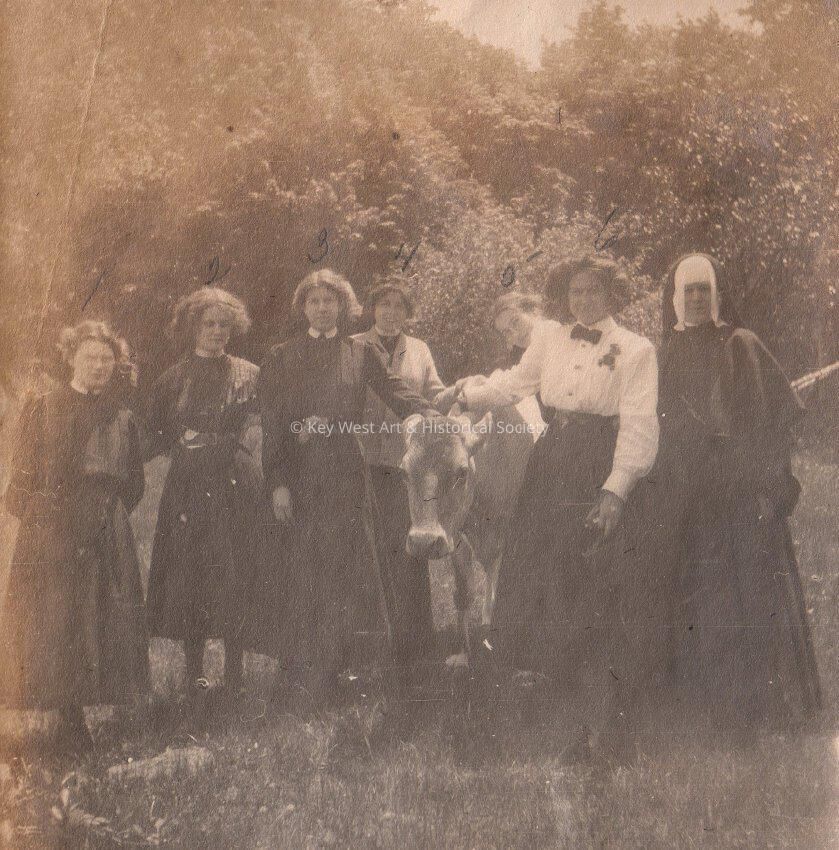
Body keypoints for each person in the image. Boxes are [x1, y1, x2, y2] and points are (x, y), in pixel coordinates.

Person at [438, 256, 660, 759]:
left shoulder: (636, 349)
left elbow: (639, 423)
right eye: (575, 291)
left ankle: (593, 707)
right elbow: (514, 384)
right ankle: (536, 689)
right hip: (552, 460)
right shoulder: (551, 338)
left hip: (598, 462)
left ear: (612, 295)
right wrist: (466, 396)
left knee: (589, 576)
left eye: (594, 290)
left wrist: (615, 489)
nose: (584, 300)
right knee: (534, 570)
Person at [658, 253, 821, 738]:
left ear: (716, 295)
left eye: (703, 289)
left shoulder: (741, 344)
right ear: (675, 298)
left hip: (740, 490)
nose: (696, 298)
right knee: (699, 594)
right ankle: (704, 704)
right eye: (687, 290)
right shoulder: (665, 352)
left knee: (750, 591)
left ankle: (761, 707)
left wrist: (768, 487)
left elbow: (772, 425)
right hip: (688, 495)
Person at [259, 269, 438, 707]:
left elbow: (396, 390)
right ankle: (302, 673)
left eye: (330, 301)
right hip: (301, 476)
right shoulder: (281, 356)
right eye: (314, 301)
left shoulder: (359, 352)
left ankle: (350, 669)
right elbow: (273, 426)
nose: (322, 308)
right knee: (304, 569)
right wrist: (278, 484)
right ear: (303, 307)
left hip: (346, 474)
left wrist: (432, 415)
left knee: (351, 569)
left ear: (343, 307)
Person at [0, 321, 148, 752]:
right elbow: (22, 476)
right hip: (53, 526)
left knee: (99, 613)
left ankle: (90, 706)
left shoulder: (122, 416)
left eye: (106, 359)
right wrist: (40, 519)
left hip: (104, 525)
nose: (99, 366)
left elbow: (135, 482)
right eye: (90, 357)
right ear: (71, 359)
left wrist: (107, 513)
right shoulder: (44, 407)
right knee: (57, 615)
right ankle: (67, 716)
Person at [145, 288, 275, 707]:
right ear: (192, 327)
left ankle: (235, 676)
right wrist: (181, 441)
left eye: (224, 325)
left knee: (236, 571)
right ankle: (195, 677)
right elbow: (154, 433)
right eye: (208, 324)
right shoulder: (172, 378)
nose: (217, 332)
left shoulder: (250, 374)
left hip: (236, 484)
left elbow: (266, 422)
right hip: (188, 488)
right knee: (191, 574)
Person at [353, 283, 445, 671]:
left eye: (398, 307)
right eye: (383, 305)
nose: (390, 312)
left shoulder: (419, 349)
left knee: (409, 549)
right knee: (369, 552)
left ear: (408, 313)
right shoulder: (354, 346)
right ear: (372, 309)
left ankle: (417, 644)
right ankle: (373, 646)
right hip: (363, 460)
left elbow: (434, 391)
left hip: (409, 466)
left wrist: (452, 404)